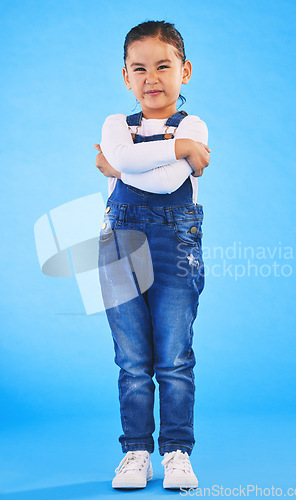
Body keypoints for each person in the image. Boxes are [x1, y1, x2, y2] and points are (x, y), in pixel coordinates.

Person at [94, 20, 210, 490]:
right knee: (132, 360)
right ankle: (136, 451)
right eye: (139, 69)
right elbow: (159, 167)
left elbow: (164, 183)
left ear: (184, 70)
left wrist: (118, 163)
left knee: (174, 358)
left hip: (175, 247)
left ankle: (177, 452)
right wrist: (176, 150)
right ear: (126, 77)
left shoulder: (194, 125)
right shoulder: (115, 124)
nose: (152, 78)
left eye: (163, 66)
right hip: (118, 245)